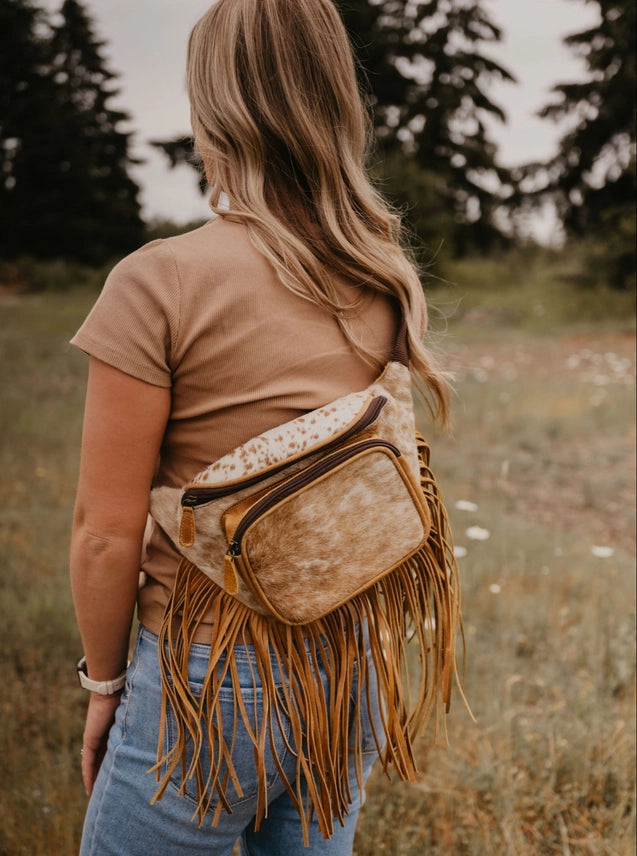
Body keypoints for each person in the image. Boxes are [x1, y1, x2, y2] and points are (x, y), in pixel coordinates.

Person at [70, 1, 450, 853]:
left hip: (207, 681)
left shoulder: (156, 282)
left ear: (215, 111)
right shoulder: (379, 272)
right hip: (351, 654)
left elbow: (104, 535)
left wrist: (104, 686)